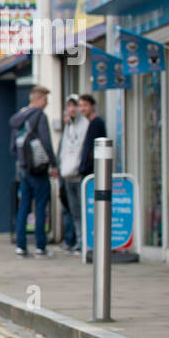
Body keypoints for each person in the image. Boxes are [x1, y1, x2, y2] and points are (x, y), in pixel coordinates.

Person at [9, 85, 58, 257]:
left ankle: (21, 246)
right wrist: (54, 164)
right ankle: (40, 246)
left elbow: (13, 146)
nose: (46, 103)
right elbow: (46, 142)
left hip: (23, 170)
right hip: (38, 169)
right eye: (45, 99)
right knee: (40, 206)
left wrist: (21, 163)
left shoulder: (19, 118)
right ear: (38, 99)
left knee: (23, 207)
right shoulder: (40, 117)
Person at [57, 95, 88, 251]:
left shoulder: (85, 125)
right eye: (69, 106)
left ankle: (84, 241)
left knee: (83, 210)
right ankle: (79, 241)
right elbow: (64, 150)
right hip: (68, 175)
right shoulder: (69, 127)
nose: (72, 109)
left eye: (75, 105)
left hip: (80, 174)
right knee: (74, 211)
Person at [77, 93, 107, 231]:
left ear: (92, 106)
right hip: (88, 172)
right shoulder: (89, 123)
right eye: (80, 106)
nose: (82, 109)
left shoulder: (96, 123)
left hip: (93, 173)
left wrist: (88, 167)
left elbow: (96, 150)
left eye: (85, 105)